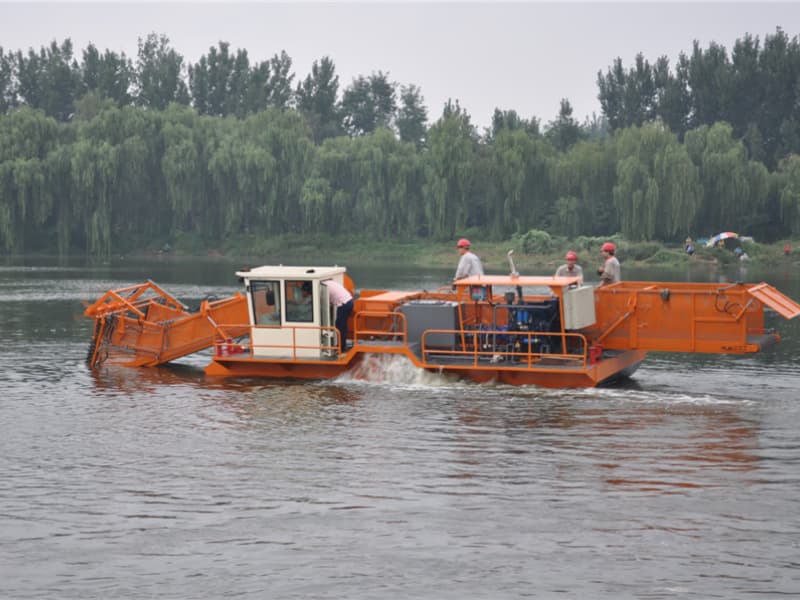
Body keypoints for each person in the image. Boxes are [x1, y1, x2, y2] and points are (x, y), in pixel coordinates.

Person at [321, 279, 354, 352]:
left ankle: (341, 348)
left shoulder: (323, 287)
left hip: (344, 304)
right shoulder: (328, 283)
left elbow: (324, 301)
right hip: (348, 300)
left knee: (340, 326)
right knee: (342, 325)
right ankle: (342, 345)